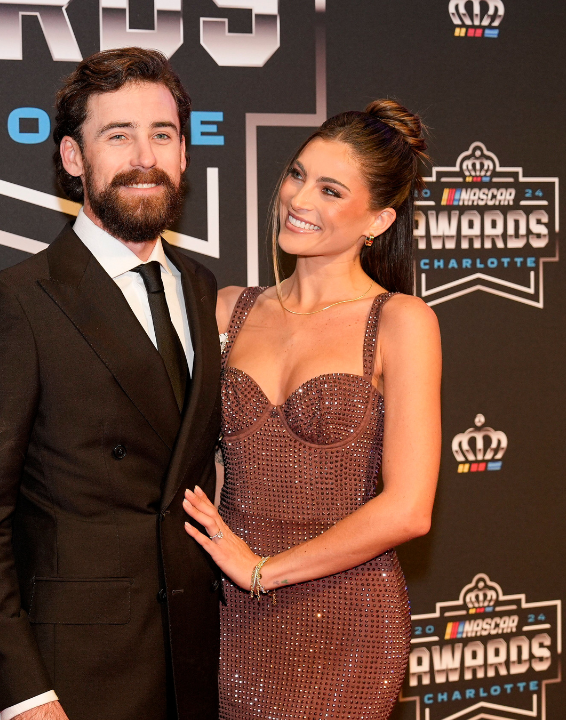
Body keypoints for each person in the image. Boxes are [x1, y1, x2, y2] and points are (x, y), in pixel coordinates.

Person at [0, 48, 221, 720]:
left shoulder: (204, 288)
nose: (144, 157)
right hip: (77, 680)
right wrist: (25, 695)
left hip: (194, 665)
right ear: (73, 159)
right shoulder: (16, 304)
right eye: (117, 135)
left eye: (162, 134)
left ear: (184, 154)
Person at [180, 101, 442, 719]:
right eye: (298, 175)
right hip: (229, 611)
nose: (299, 199)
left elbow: (408, 509)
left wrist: (264, 571)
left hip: (345, 615)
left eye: (330, 190)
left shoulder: (401, 322)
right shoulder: (227, 310)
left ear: (378, 219)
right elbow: (200, 460)